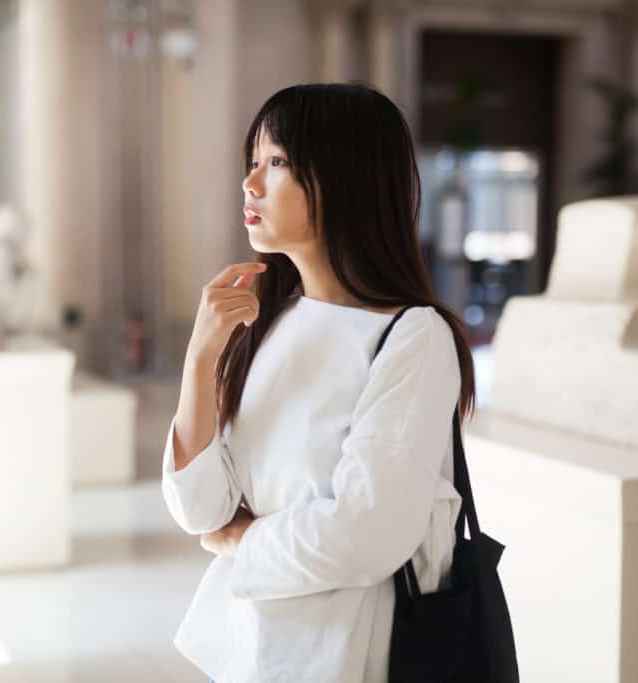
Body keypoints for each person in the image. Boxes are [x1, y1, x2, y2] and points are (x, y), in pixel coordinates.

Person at [161, 83, 477, 682]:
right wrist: (200, 361)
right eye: (252, 161)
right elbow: (202, 510)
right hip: (253, 652)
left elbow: (368, 534)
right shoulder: (272, 320)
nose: (250, 183)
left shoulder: (413, 337)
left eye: (277, 162)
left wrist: (243, 542)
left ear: (344, 178)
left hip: (347, 656)